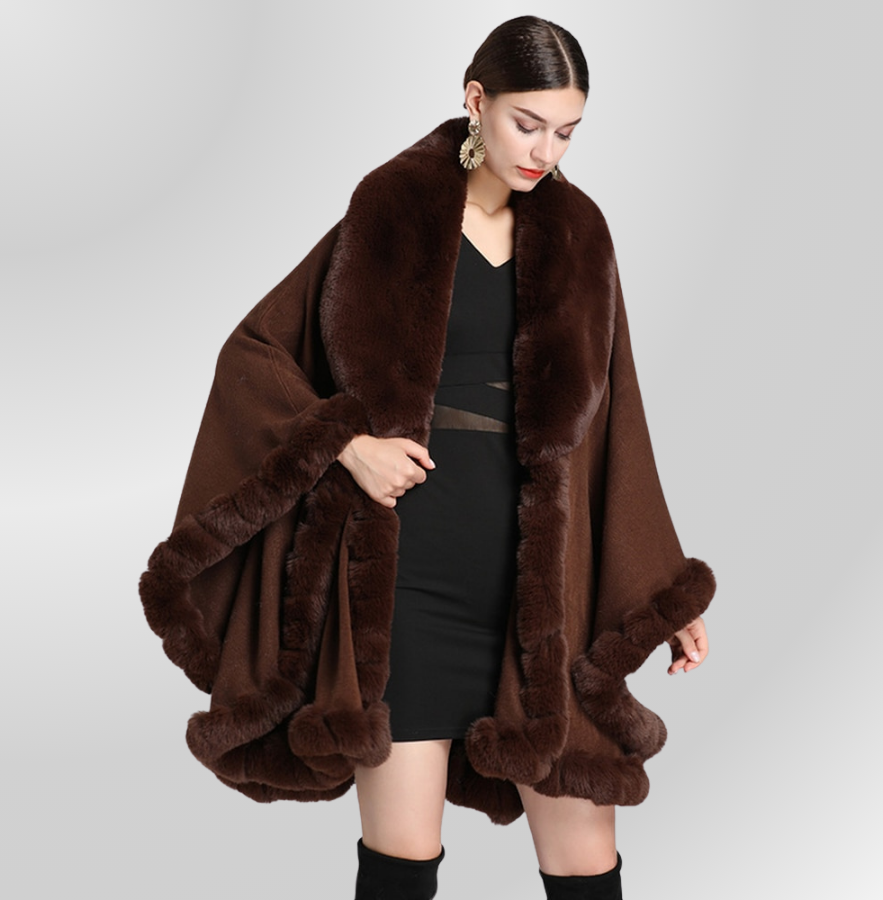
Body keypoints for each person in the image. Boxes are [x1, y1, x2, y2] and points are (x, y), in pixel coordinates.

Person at [139, 15, 715, 900]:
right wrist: (349, 446)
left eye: (567, 132)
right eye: (528, 123)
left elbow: (617, 417)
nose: (545, 151)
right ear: (476, 99)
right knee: (401, 866)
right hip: (408, 580)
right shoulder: (394, 208)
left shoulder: (580, 233)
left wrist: (661, 587)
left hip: (540, 584)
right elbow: (255, 353)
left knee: (584, 864)